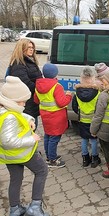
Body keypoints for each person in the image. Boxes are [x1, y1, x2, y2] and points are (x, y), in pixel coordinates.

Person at [0, 76, 49, 216]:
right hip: (22, 152)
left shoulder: (5, 111)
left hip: (10, 157)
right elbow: (8, 141)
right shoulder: (9, 117)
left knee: (16, 179)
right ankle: (35, 207)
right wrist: (31, 139)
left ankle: (15, 209)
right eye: (23, 102)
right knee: (42, 171)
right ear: (14, 101)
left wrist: (29, 119)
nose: (24, 105)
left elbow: (17, 115)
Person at [34, 63, 72, 168]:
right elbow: (62, 102)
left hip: (45, 115)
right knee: (54, 138)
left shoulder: (38, 85)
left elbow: (36, 100)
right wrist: (68, 96)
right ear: (55, 74)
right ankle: (52, 160)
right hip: (56, 116)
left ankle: (49, 156)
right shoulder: (56, 86)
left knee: (47, 136)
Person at [8, 38, 43, 126]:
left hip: (32, 101)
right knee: (29, 130)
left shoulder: (29, 61)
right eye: (28, 47)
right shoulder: (18, 64)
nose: (32, 49)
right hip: (26, 103)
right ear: (22, 48)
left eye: (32, 47)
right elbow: (24, 84)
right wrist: (39, 87)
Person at [72, 67, 101, 168]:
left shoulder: (77, 92)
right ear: (93, 78)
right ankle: (95, 159)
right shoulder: (97, 92)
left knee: (84, 139)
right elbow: (99, 108)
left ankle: (85, 159)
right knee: (93, 140)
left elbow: (74, 107)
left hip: (82, 120)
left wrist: (80, 113)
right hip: (93, 121)